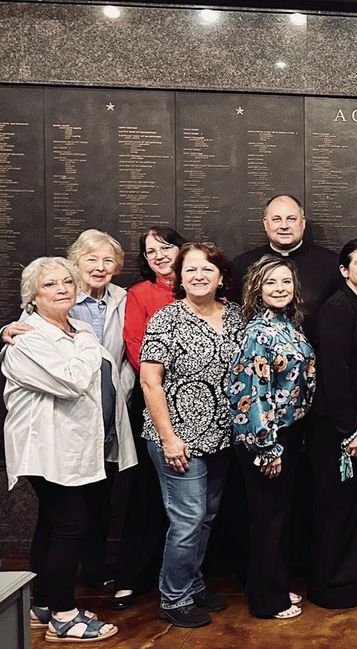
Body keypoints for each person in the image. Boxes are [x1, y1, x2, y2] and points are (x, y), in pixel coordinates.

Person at [1, 230, 138, 592]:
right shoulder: (47, 324)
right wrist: (86, 343)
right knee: (67, 521)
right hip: (59, 431)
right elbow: (57, 366)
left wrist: (117, 393)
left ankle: (65, 591)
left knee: (90, 510)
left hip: (101, 419)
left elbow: (126, 356)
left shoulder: (121, 301)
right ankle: (55, 605)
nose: (100, 267)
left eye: (108, 260)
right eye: (91, 259)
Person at [140, 242, 243, 628]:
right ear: (179, 278)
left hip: (221, 436)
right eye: (190, 270)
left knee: (206, 516)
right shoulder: (166, 319)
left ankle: (192, 582)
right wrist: (169, 438)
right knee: (188, 518)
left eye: (207, 270)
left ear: (220, 277)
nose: (199, 276)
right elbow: (150, 383)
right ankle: (174, 597)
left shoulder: (235, 315)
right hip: (178, 437)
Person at [229, 256, 316, 620]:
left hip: (291, 435)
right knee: (267, 520)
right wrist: (267, 448)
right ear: (256, 289)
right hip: (267, 439)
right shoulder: (257, 332)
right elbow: (250, 394)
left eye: (285, 282)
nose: (279, 289)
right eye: (271, 283)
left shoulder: (288, 325)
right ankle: (267, 601)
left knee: (279, 518)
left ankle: (275, 585)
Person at [307, 239, 357, 609]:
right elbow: (333, 374)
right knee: (337, 507)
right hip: (340, 427)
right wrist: (349, 429)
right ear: (344, 270)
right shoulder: (337, 308)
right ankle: (333, 588)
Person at [113, 225, 188, 610]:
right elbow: (137, 349)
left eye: (165, 247)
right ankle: (134, 576)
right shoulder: (140, 295)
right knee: (147, 495)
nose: (158, 255)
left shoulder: (204, 285)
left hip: (206, 406)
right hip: (155, 400)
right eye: (150, 251)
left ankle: (195, 576)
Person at [228, 194, 340, 335]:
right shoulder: (242, 265)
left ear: (303, 223)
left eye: (291, 219)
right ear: (265, 223)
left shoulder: (332, 263)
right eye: (276, 219)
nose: (284, 226)